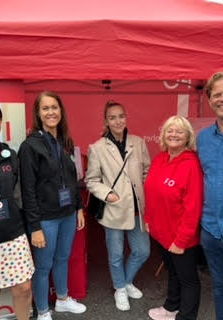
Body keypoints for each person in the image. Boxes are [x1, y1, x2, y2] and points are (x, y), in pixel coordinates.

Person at [18, 91, 86, 320]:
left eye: (54, 107)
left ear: (61, 111)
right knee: (44, 265)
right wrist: (35, 226)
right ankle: (43, 311)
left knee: (62, 258)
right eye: (45, 108)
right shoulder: (30, 146)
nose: (51, 112)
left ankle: (63, 299)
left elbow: (72, 178)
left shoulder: (65, 142)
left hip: (67, 214)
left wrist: (78, 208)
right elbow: (27, 190)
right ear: (38, 113)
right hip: (45, 218)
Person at [85, 100, 151, 311]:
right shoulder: (97, 148)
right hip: (114, 209)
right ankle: (120, 289)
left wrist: (145, 190)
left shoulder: (138, 143)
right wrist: (108, 193)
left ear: (126, 117)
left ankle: (126, 281)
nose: (117, 121)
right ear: (106, 120)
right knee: (116, 254)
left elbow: (147, 171)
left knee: (142, 251)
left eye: (121, 116)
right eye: (112, 117)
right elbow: (92, 180)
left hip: (137, 209)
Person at [0, 100, 34, 320]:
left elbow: (19, 192)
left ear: (1, 121)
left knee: (23, 288)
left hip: (13, 233)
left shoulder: (9, 155)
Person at [144, 115, 203, 320]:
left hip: (180, 237)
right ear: (163, 135)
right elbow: (152, 193)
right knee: (174, 272)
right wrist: (149, 220)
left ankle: (185, 316)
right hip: (161, 233)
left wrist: (181, 240)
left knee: (188, 280)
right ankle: (171, 308)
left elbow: (193, 208)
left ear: (188, 136)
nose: (174, 134)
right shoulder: (160, 158)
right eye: (170, 130)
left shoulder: (191, 164)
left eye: (179, 131)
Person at [197, 71, 223, 320]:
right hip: (211, 230)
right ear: (210, 100)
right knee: (220, 289)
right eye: (217, 94)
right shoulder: (202, 139)